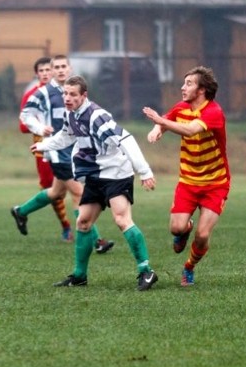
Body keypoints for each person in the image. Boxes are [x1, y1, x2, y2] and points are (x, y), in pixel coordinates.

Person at [32, 75, 158, 290]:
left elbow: (126, 138)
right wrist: (44, 145)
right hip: (95, 176)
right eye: (65, 93)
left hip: (117, 174)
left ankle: (146, 271)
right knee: (83, 222)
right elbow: (65, 137)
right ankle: (79, 275)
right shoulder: (71, 115)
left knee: (121, 220)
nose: (68, 98)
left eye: (73, 94)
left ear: (84, 96)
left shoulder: (97, 116)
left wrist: (144, 172)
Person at [11, 54, 114, 254]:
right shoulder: (43, 93)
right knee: (79, 192)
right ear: (52, 70)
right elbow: (25, 115)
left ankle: (20, 211)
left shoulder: (75, 90)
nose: (59, 70)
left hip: (74, 150)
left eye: (63, 66)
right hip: (57, 152)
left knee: (55, 192)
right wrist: (40, 128)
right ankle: (97, 240)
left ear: (69, 68)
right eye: (55, 67)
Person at [143, 66, 230, 287]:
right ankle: (184, 229)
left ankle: (189, 267)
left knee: (202, 235)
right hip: (188, 182)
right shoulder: (182, 107)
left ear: (202, 90)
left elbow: (190, 130)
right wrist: (157, 130)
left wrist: (160, 122)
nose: (183, 87)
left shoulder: (213, 112)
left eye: (189, 83)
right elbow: (167, 119)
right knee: (176, 229)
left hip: (215, 184)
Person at [19, 56, 72, 242]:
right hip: (45, 148)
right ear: (37, 74)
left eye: (47, 70)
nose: (45, 73)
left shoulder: (68, 91)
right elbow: (23, 123)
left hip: (68, 146)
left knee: (60, 190)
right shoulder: (35, 95)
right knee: (64, 189)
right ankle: (71, 228)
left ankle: (21, 211)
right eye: (41, 71)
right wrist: (42, 127)